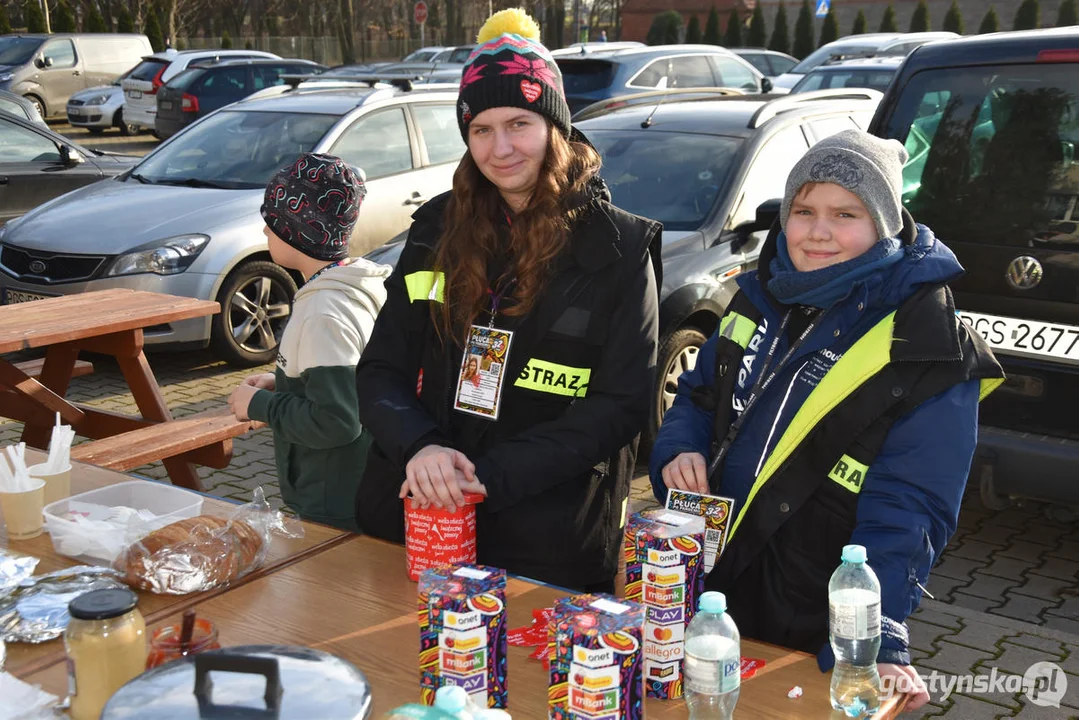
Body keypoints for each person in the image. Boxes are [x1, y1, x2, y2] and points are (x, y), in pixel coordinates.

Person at [650, 130, 1004, 710]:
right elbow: (696, 395)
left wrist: (878, 631)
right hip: (716, 588)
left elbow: (911, 505)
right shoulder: (759, 295)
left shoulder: (928, 342)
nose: (818, 231)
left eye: (846, 213)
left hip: (814, 608)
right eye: (804, 210)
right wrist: (678, 447)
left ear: (885, 223)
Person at [355, 8, 661, 592]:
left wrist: (486, 476)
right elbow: (381, 368)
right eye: (481, 129)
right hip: (425, 515)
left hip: (547, 534)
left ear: (556, 127)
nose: (500, 149)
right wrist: (421, 448)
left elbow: (621, 406)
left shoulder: (619, 247)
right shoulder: (435, 231)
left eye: (519, 123)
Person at [228, 153, 391, 532]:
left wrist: (261, 406)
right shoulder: (345, 288)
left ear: (297, 230)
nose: (265, 233)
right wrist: (283, 384)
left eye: (271, 224)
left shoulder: (324, 311)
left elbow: (337, 421)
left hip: (333, 499)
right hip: (350, 487)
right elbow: (347, 383)